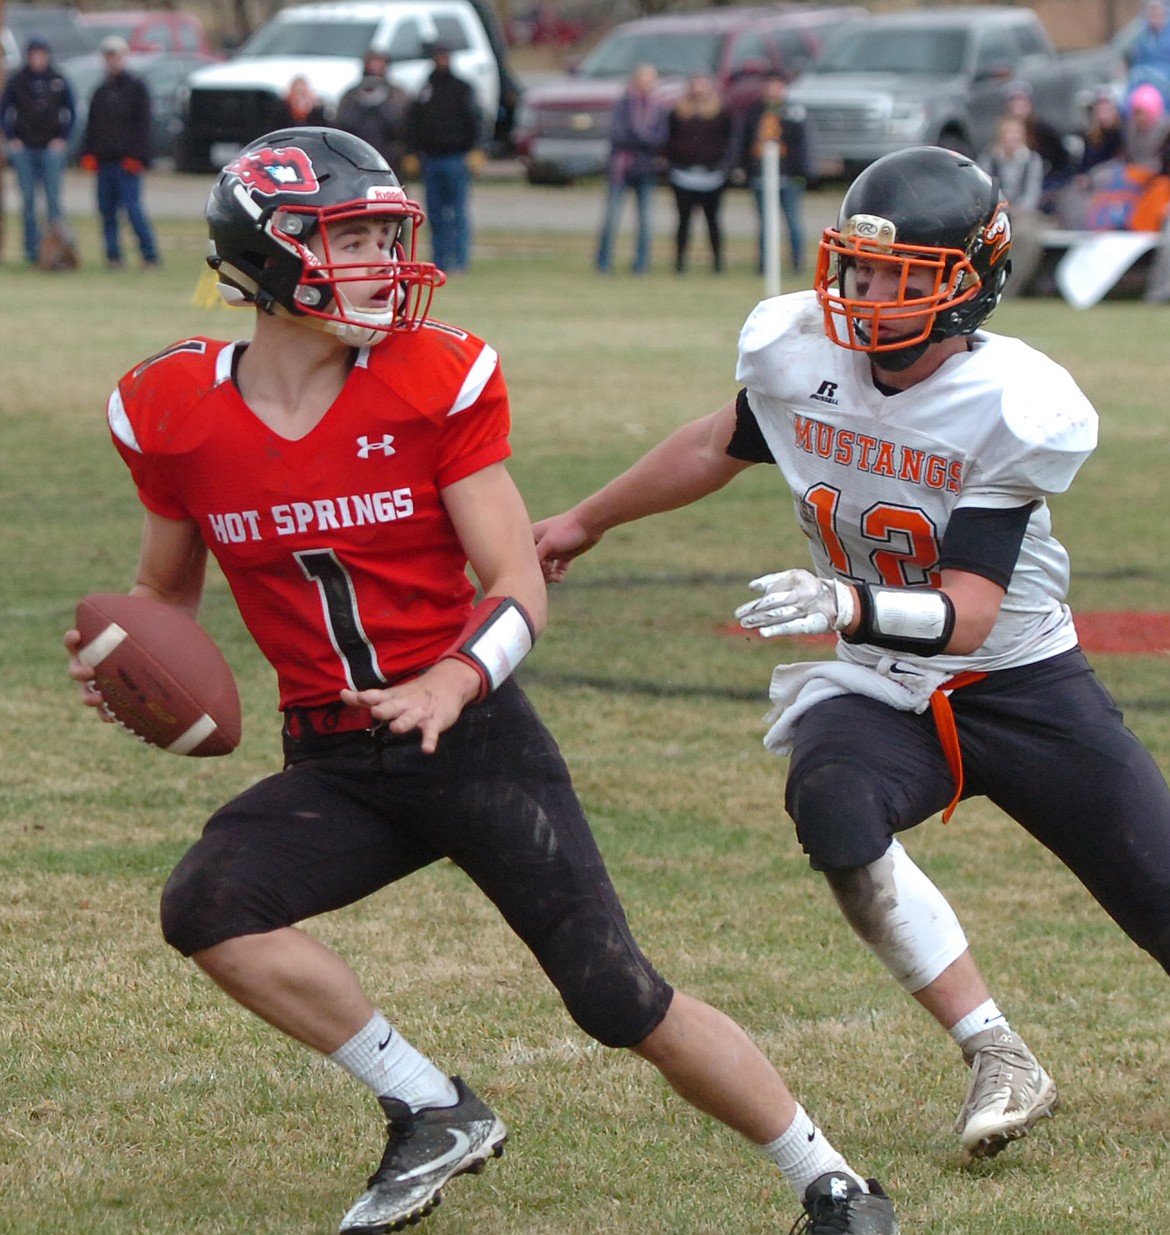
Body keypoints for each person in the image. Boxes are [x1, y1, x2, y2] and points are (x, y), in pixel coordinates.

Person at [62, 126, 899, 1235]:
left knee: (615, 995)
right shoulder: (171, 409)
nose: (380, 260)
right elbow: (164, 591)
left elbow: (515, 579)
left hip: (473, 736)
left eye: (381, 234)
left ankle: (830, 1180)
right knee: (211, 903)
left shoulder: (431, 378)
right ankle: (430, 1104)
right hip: (334, 749)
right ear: (264, 257)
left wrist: (454, 681)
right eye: (348, 237)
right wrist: (133, 665)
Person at [534, 145, 1170, 1165]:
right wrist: (584, 519)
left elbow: (965, 612)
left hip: (1021, 678)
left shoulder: (1006, 400)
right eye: (861, 269)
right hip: (879, 682)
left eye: (903, 276)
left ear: (969, 281)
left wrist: (842, 597)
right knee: (830, 800)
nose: (870, 295)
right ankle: (996, 1050)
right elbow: (719, 441)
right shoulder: (801, 353)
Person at [79, 35, 160, 270]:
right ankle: (113, 257)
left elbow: (143, 126)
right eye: (108, 56)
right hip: (105, 163)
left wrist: (139, 157)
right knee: (107, 213)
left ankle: (149, 255)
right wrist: (89, 153)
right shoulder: (101, 91)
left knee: (134, 212)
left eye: (116, 56)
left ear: (124, 58)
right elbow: (92, 126)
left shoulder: (136, 88)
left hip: (128, 163)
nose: (112, 61)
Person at [405, 41, 481, 274]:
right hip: (431, 159)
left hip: (456, 158)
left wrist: (476, 149)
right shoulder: (424, 89)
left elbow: (475, 121)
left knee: (457, 212)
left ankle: (459, 260)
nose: (442, 59)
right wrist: (412, 152)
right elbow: (413, 123)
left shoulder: (462, 88)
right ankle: (439, 260)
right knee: (435, 214)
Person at [0, 35, 76, 267]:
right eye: (34, 54)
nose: (38, 59)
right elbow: (4, 111)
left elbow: (72, 112)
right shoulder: (18, 80)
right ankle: (32, 250)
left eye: (41, 54)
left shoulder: (58, 79)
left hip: (50, 147)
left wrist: (62, 139)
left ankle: (57, 251)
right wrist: (12, 139)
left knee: (53, 201)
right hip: (25, 148)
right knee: (28, 201)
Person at [595, 64, 669, 275]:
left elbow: (660, 139)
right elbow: (618, 136)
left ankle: (641, 264)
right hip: (622, 168)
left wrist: (638, 136)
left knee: (645, 221)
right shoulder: (623, 105)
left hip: (646, 170)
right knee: (612, 218)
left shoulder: (659, 108)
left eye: (651, 79)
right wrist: (643, 138)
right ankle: (604, 262)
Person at [735, 70, 810, 274]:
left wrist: (803, 170)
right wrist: (741, 167)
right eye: (769, 85)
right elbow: (742, 141)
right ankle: (765, 265)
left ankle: (797, 263)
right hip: (761, 175)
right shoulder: (753, 112)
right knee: (765, 224)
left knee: (792, 221)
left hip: (788, 176)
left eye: (777, 85)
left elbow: (802, 144)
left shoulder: (794, 111)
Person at [663, 74, 733, 274]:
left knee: (713, 220)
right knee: (683, 221)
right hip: (682, 175)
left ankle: (718, 263)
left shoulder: (721, 113)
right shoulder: (678, 113)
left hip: (713, 175)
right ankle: (680, 263)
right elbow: (669, 140)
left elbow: (729, 140)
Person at [335, 50, 410, 172]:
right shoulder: (351, 95)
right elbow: (341, 124)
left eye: (380, 63)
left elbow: (403, 125)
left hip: (389, 157)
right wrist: (360, 107)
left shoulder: (397, 93)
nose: (375, 68)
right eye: (372, 63)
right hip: (357, 155)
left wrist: (383, 107)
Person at [1127, 0, 1170, 111]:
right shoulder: (1141, 36)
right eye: (1152, 13)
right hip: (1143, 74)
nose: (1155, 17)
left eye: (1158, 13)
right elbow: (1136, 58)